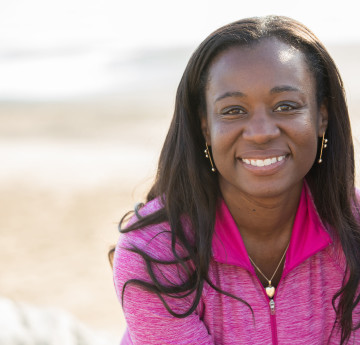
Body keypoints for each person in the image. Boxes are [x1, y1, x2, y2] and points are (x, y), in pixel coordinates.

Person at [111, 15, 360, 344]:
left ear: (321, 117)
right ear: (205, 127)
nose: (260, 133)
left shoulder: (354, 232)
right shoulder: (155, 251)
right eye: (233, 110)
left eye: (286, 106)